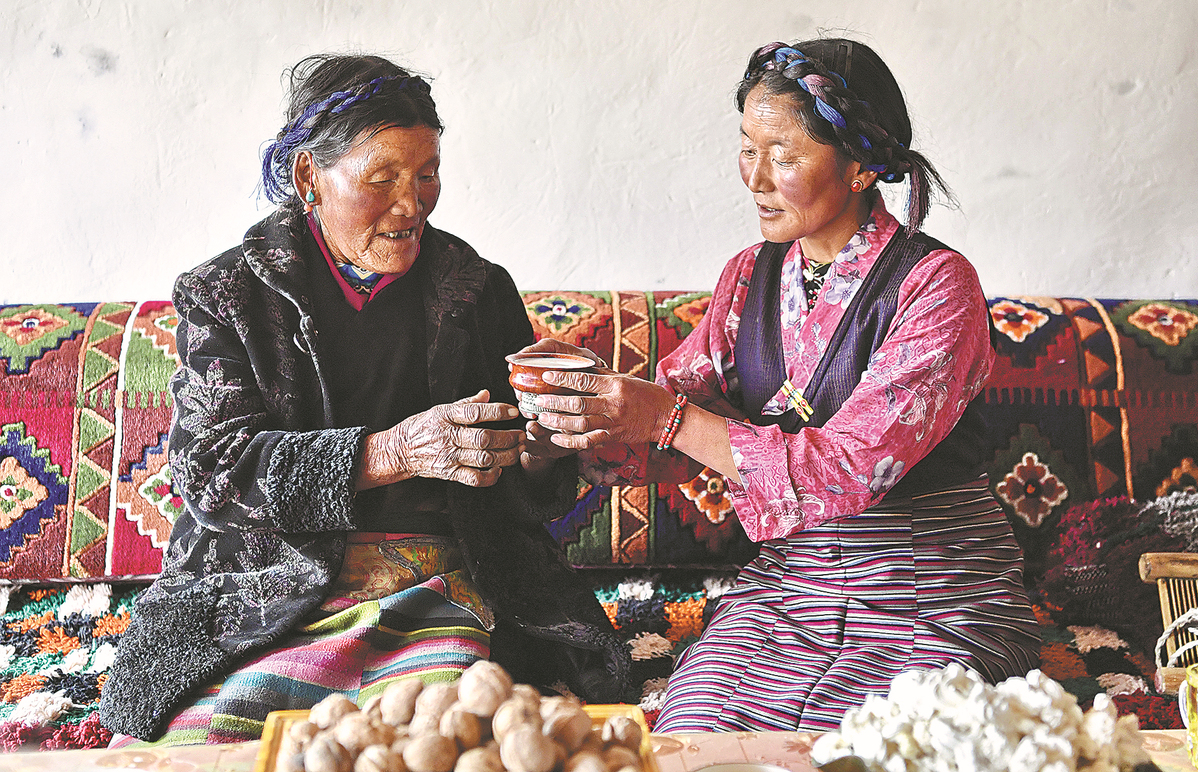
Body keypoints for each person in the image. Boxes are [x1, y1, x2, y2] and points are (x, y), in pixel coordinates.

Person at [98, 53, 628, 746]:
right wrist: (397, 450)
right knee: (210, 745)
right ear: (308, 177)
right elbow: (214, 473)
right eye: (382, 179)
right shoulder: (229, 295)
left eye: (427, 173)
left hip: (440, 587)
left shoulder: (473, 288)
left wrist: (546, 443)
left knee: (435, 739)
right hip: (268, 591)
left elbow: (524, 496)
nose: (411, 204)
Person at [518, 38, 1040, 732]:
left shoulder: (936, 287)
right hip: (794, 588)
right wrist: (572, 421)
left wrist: (662, 417)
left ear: (858, 168)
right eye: (746, 147)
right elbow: (678, 423)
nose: (755, 178)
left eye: (784, 154)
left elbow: (853, 467)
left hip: (929, 587)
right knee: (694, 731)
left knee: (873, 744)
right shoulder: (748, 277)